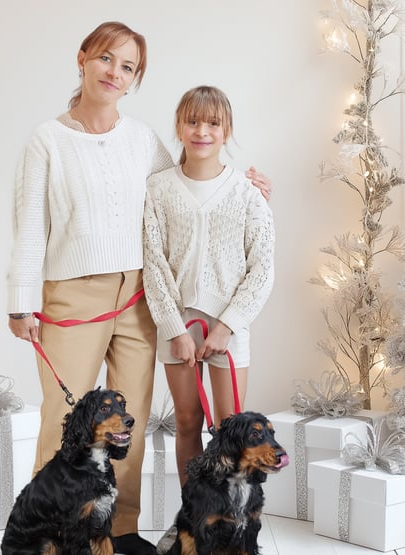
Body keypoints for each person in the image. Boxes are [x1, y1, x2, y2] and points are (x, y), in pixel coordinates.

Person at [7, 23, 270, 555]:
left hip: (139, 295)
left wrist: (250, 188)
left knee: (129, 420)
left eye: (128, 67)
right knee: (68, 420)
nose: (114, 72)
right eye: (106, 59)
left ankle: (118, 531)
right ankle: (52, 533)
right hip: (72, 294)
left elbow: (187, 192)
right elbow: (30, 225)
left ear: (134, 80)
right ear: (82, 59)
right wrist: (20, 300)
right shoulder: (47, 140)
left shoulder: (143, 139)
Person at [141, 85, 275, 553]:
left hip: (228, 329)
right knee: (186, 423)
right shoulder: (158, 189)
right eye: (193, 122)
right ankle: (195, 519)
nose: (202, 131)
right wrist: (174, 329)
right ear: (179, 126)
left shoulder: (247, 193)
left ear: (227, 131)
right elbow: (153, 263)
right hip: (177, 326)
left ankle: (238, 522)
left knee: (230, 425)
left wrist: (226, 326)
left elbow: (262, 268)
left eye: (213, 123)